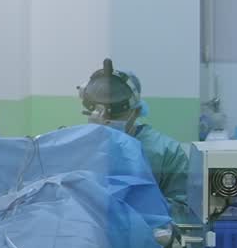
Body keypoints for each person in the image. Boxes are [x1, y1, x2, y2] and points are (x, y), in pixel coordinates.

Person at [78, 59, 191, 220]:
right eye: (98, 114)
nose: (105, 120)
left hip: (148, 233)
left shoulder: (166, 152)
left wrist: (139, 208)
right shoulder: (78, 146)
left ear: (136, 111)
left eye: (115, 115)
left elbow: (183, 210)